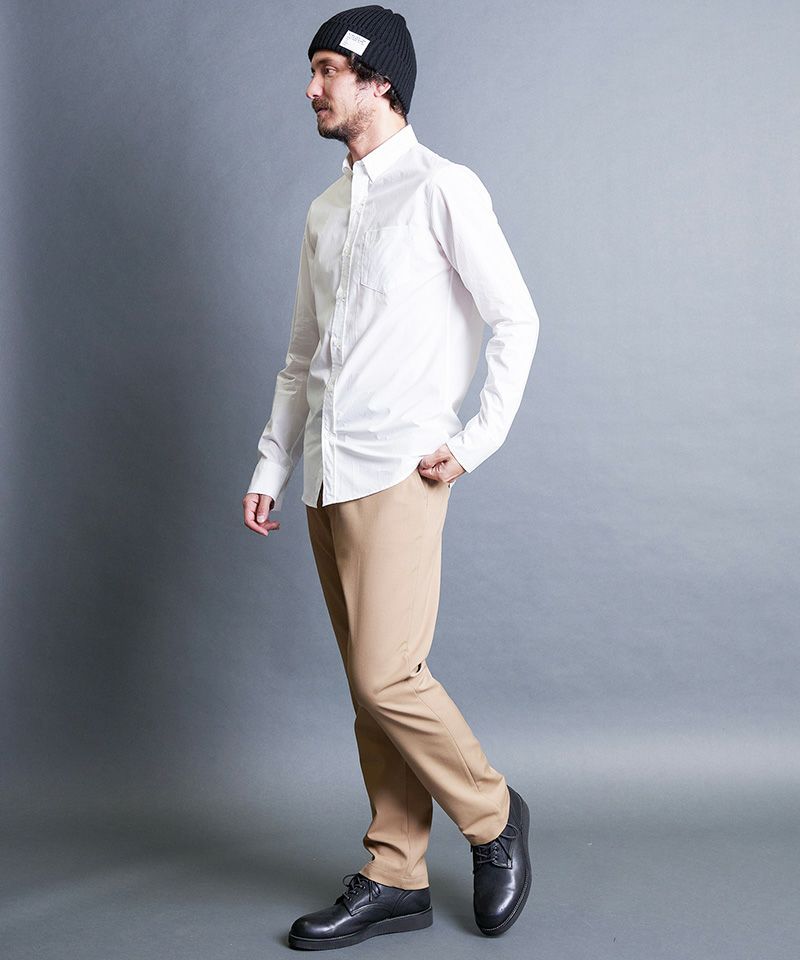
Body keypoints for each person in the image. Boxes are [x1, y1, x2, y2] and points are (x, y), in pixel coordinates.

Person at [242, 5, 539, 949]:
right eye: (313, 69)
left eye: (329, 69)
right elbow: (303, 354)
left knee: (386, 679)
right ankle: (395, 872)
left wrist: (476, 440)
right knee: (368, 694)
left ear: (380, 84)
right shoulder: (325, 211)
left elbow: (515, 319)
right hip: (325, 476)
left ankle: (492, 813)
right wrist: (273, 461)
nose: (311, 88)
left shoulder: (444, 188)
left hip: (400, 470)